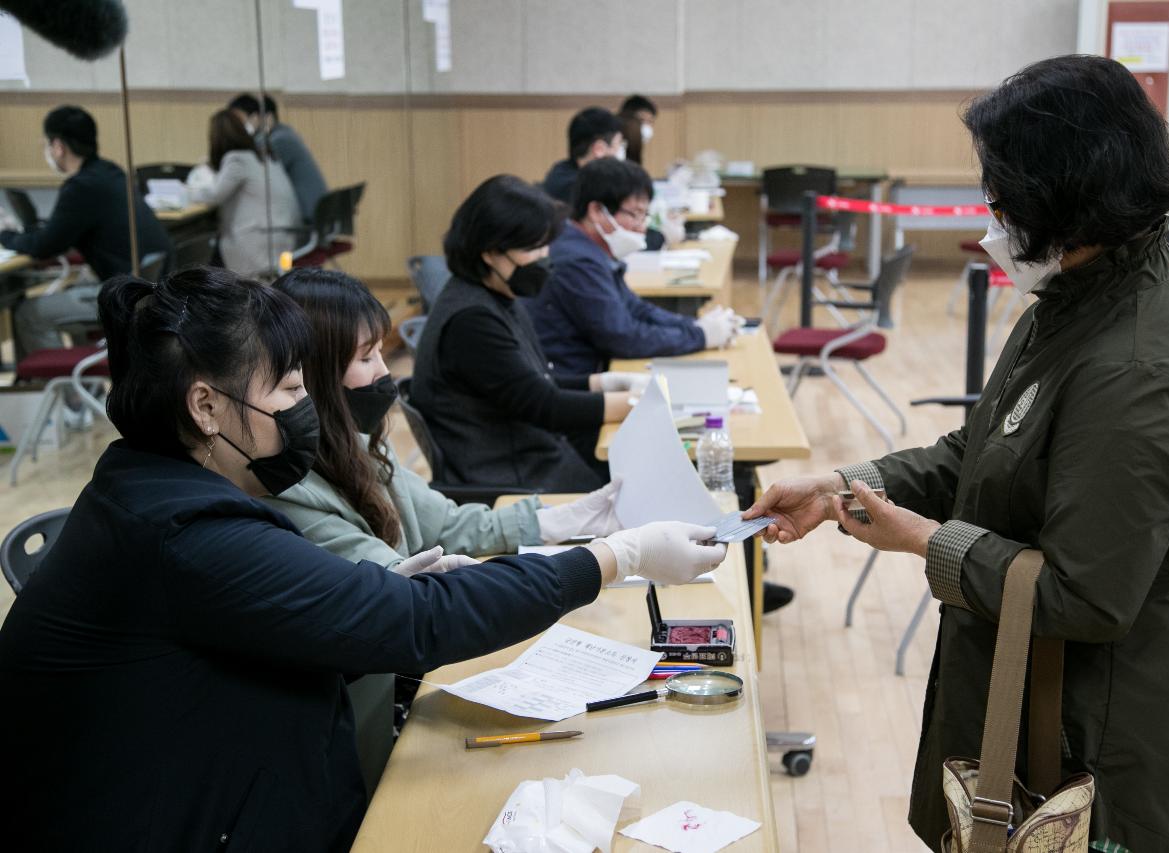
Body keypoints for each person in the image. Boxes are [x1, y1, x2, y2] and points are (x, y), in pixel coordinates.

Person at [0, 265, 725, 851]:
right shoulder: (188, 530)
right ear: (205, 407)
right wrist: (615, 556)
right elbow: (419, 622)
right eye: (286, 389)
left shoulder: (146, 484)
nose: (302, 407)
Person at [746, 55, 1169, 852]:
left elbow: (1084, 595)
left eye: (1004, 199)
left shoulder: (1140, 369)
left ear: (1068, 197)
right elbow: (980, 451)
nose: (993, 217)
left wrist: (920, 539)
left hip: (1097, 758)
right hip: (1031, 712)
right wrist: (844, 485)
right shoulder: (1075, 303)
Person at [268, 266, 625, 564]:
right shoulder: (291, 490)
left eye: (381, 353)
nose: (384, 371)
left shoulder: (357, 442)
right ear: (311, 374)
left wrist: (557, 521)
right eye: (366, 358)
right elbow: (391, 589)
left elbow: (447, 524)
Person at [411, 175, 641, 492]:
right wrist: (635, 403)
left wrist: (602, 383)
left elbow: (530, 382)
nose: (544, 257)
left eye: (545, 244)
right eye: (532, 248)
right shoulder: (471, 321)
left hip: (531, 458)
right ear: (490, 252)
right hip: (515, 479)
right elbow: (545, 406)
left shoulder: (494, 293)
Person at [527, 157, 737, 378]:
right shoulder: (577, 260)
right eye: (635, 214)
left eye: (644, 215)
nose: (642, 226)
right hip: (575, 382)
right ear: (597, 211)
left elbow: (635, 308)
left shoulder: (589, 248)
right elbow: (623, 337)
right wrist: (700, 336)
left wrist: (693, 325)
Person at [0, 105, 171, 355]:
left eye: (47, 145)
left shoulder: (81, 187)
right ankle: (84, 381)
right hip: (143, 287)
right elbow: (62, 231)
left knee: (29, 313)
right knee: (66, 298)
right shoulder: (110, 172)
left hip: (124, 296)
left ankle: (66, 389)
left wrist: (6, 235)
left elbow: (45, 246)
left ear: (58, 146)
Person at [186, 109, 302, 277]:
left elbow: (214, 195)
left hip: (258, 240)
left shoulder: (236, 160)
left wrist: (184, 192)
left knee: (203, 255)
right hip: (283, 236)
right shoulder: (264, 156)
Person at [229, 93, 328, 223]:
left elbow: (252, 170)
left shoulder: (280, 140)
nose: (243, 126)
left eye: (249, 119)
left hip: (306, 216)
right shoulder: (284, 133)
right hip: (308, 211)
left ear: (268, 118)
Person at [542, 107, 625, 203]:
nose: (621, 149)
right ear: (599, 149)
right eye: (619, 143)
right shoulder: (584, 190)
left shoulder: (562, 172)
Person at [618, 94, 657, 167]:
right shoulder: (614, 148)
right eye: (641, 120)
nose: (646, 127)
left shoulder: (632, 146)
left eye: (650, 122)